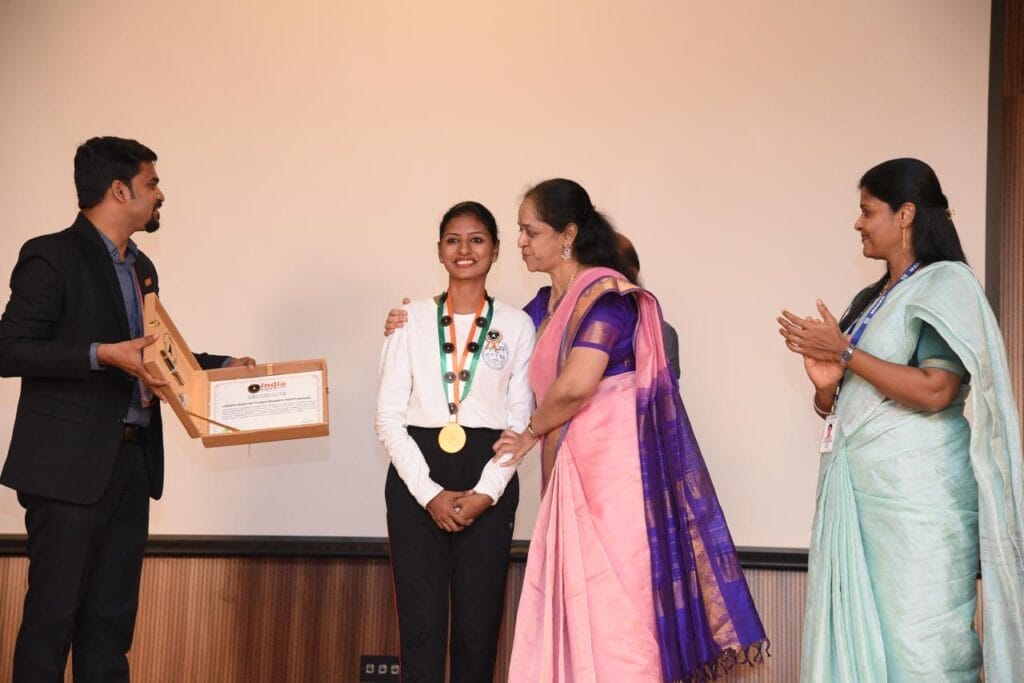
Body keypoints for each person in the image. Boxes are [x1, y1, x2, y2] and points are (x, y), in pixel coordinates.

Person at [0, 136, 254, 682]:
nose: (160, 194)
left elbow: (156, 354)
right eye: (152, 183)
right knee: (52, 621)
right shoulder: (51, 255)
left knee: (110, 625)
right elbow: (10, 349)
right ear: (120, 190)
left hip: (132, 464)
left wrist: (221, 365)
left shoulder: (141, 268)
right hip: (66, 472)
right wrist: (102, 355)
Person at [493, 178, 767, 681]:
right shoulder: (543, 307)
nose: (521, 242)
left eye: (531, 231)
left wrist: (530, 432)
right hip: (572, 467)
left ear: (567, 234)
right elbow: (493, 351)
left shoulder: (607, 299)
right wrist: (415, 326)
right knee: (577, 611)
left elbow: (577, 385)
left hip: (615, 474)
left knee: (616, 608)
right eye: (520, 231)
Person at [778, 158, 1024, 680]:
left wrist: (846, 353)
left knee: (921, 653)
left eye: (868, 211)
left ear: (906, 214)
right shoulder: (872, 298)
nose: (858, 223)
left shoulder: (944, 286)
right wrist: (826, 388)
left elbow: (937, 390)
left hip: (918, 504)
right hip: (864, 499)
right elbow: (849, 404)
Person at [374, 201, 535, 682]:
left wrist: (487, 492)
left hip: (489, 473)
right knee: (421, 629)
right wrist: (429, 494)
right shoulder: (409, 319)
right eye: (453, 240)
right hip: (417, 475)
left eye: (477, 239)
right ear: (440, 251)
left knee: (478, 629)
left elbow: (520, 421)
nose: (465, 249)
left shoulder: (517, 325)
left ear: (496, 249)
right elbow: (387, 418)